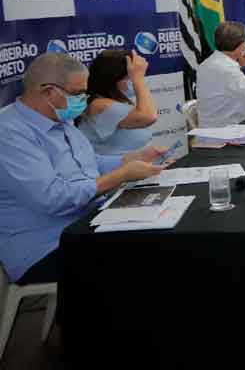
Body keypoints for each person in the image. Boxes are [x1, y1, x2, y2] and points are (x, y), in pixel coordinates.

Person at [0, 53, 166, 284]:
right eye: (77, 94)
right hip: (46, 246)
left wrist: (132, 159)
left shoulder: (60, 121)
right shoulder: (10, 134)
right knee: (148, 261)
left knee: (165, 236)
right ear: (48, 91)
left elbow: (91, 163)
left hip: (86, 222)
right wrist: (122, 175)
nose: (83, 100)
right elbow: (54, 198)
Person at [78, 50, 157, 156]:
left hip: (139, 165)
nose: (132, 81)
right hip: (115, 169)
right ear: (115, 79)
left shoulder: (118, 100)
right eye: (130, 77)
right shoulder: (99, 105)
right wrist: (138, 78)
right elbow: (149, 117)